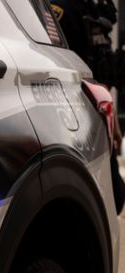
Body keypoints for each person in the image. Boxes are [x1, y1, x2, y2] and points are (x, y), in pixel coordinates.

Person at [51, 0, 125, 213]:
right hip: (72, 118)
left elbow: (101, 70)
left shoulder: (96, 10)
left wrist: (113, 122)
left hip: (98, 115)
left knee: (115, 197)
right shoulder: (61, 10)